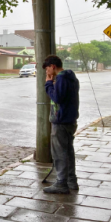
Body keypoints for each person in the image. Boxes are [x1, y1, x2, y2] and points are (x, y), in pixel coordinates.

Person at [42, 55, 80, 194]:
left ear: (52, 66)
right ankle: (71, 180)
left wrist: (48, 84)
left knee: (59, 153)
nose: (47, 73)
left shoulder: (62, 78)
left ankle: (61, 183)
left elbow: (57, 98)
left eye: (47, 69)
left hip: (61, 120)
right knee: (68, 151)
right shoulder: (71, 78)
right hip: (70, 119)